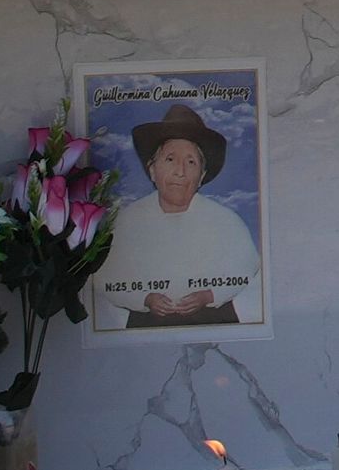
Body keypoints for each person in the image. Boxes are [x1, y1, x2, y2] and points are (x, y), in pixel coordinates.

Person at [89, 105, 258, 330]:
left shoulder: (225, 221)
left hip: (214, 323)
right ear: (152, 170)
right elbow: (103, 277)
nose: (180, 171)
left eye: (191, 162)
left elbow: (248, 268)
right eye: (170, 159)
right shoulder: (126, 221)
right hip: (146, 327)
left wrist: (209, 295)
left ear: (201, 176)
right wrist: (146, 299)